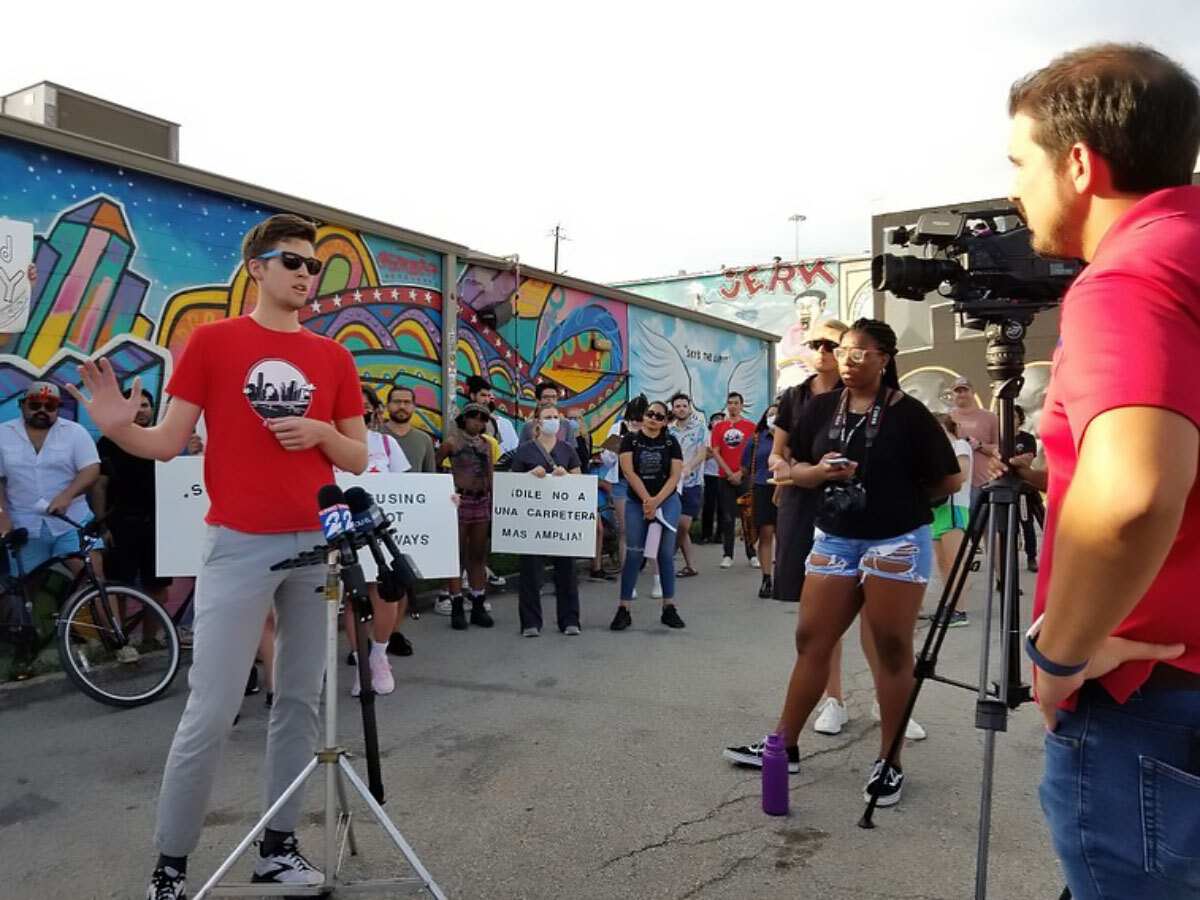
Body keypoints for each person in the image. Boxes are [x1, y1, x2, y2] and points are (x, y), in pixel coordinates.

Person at [68, 213, 368, 900]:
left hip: (314, 547)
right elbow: (169, 442)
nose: (303, 273)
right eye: (289, 260)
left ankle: (279, 848)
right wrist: (121, 429)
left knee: (299, 702)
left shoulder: (334, 357)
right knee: (211, 708)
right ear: (255, 267)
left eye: (312, 265)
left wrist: (321, 429)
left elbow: (354, 456)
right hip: (237, 545)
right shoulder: (212, 341)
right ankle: (169, 869)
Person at [990, 44, 1200, 898]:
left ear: (1078, 164)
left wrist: (1063, 654)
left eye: (1019, 163)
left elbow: (1131, 494)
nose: (1012, 189)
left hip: (1153, 695)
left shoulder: (1130, 274)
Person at [724, 319, 962, 809]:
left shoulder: (910, 414)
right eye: (844, 351)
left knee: (893, 648)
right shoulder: (817, 408)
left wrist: (895, 497)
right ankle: (783, 745)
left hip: (896, 540)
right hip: (837, 538)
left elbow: (949, 482)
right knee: (811, 640)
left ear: (885, 358)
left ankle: (890, 761)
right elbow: (794, 471)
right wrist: (821, 472)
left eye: (860, 353)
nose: (849, 360)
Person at [342, 386, 411, 693]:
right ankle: (362, 667)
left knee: (384, 594)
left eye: (363, 406)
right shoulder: (330, 443)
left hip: (378, 534)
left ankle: (379, 658)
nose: (358, 412)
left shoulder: (386, 443)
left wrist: (443, 501)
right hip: (345, 533)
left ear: (373, 410)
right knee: (353, 598)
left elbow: (409, 491)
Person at [0, 382, 103, 581]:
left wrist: (66, 496)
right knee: (23, 592)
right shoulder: (2, 434)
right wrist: (2, 515)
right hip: (24, 526)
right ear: (22, 405)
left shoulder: (75, 432)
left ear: (57, 408)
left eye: (50, 406)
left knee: (94, 580)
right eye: (35, 405)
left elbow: (91, 470)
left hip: (72, 521)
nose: (42, 411)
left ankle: (110, 614)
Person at [610, 399, 685, 632]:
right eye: (650, 414)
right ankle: (624, 608)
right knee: (634, 552)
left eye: (659, 416)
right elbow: (628, 471)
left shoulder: (671, 442)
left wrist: (656, 501)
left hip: (667, 500)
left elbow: (675, 476)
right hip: (637, 501)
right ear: (644, 415)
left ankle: (669, 606)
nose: (653, 418)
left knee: (665, 552)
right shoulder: (630, 440)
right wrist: (646, 500)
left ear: (665, 422)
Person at [510, 404, 583, 636]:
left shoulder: (568, 449)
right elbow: (513, 484)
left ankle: (570, 619)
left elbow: (579, 480)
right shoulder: (524, 451)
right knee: (531, 570)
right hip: (532, 521)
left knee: (567, 570)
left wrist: (567, 476)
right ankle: (530, 622)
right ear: (537, 423)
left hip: (561, 519)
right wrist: (529, 476)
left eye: (556, 417)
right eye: (548, 417)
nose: (553, 420)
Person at [435, 401, 496, 630]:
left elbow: (489, 473)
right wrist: (445, 491)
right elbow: (435, 465)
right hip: (460, 500)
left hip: (481, 500)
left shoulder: (486, 445)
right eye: (474, 417)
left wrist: (492, 499)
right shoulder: (452, 443)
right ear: (465, 419)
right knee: (456, 554)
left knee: (478, 553)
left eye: (482, 419)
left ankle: (478, 600)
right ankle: (456, 602)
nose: (477, 422)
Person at [931, 414, 972, 627]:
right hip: (937, 507)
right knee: (942, 561)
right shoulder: (935, 452)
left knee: (954, 561)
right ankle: (949, 604)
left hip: (955, 506)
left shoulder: (960, 446)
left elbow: (962, 474)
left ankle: (959, 609)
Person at [711, 392, 757, 569]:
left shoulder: (750, 427)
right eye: (729, 403)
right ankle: (727, 554)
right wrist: (730, 473)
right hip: (725, 478)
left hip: (745, 478)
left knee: (748, 517)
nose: (732, 406)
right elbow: (715, 451)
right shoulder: (719, 427)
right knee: (728, 518)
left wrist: (740, 473)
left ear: (742, 406)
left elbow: (753, 452)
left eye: (736, 403)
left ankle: (751, 553)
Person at [741, 404, 778, 598]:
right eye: (771, 413)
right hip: (763, 488)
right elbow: (745, 467)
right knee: (766, 533)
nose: (775, 416)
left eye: (778, 413)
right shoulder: (757, 439)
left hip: (786, 487)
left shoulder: (791, 438)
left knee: (786, 535)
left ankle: (784, 576)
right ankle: (767, 578)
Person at [668, 392, 706, 579]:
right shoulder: (669, 431)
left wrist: (688, 467)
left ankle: (667, 555)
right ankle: (690, 565)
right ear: (673, 409)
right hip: (672, 484)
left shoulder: (699, 428)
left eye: (684, 405)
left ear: (689, 407)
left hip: (692, 483)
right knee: (674, 524)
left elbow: (701, 453)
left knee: (683, 526)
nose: (681, 409)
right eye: (677, 406)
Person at [948, 377, 998, 511]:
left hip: (983, 482)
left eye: (965, 390)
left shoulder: (990, 417)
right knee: (960, 528)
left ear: (973, 393)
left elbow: (1000, 449)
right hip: (958, 485)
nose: (962, 394)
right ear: (952, 395)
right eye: (958, 391)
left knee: (987, 529)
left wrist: (979, 445)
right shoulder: (946, 418)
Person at [1012, 404, 1042, 573]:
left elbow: (1028, 459)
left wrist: (1011, 460)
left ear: (1020, 419)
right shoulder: (999, 437)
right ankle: (1010, 557)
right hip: (1004, 486)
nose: (1011, 419)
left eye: (1014, 416)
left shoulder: (1027, 438)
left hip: (1023, 488)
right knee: (1008, 526)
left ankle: (1031, 557)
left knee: (1027, 523)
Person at [382, 385, 435, 474]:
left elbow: (430, 477)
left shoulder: (424, 439)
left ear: (414, 407)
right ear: (387, 405)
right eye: (396, 402)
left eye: (407, 402)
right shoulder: (374, 436)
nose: (402, 406)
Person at [698, 411, 725, 543]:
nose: (718, 421)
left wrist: (713, 451)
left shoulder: (726, 435)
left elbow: (727, 453)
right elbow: (705, 455)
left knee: (722, 506)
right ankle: (705, 534)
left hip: (723, 474)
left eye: (721, 419)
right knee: (709, 506)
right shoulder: (707, 436)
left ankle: (720, 534)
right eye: (716, 419)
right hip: (709, 474)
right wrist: (715, 452)